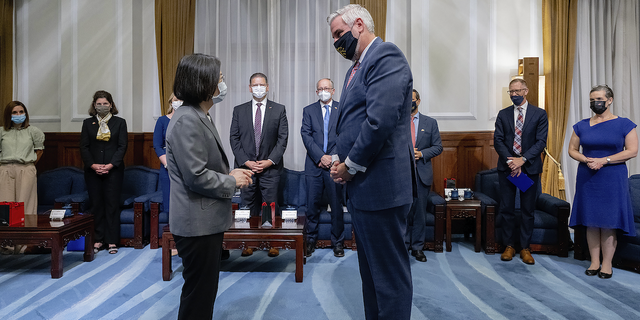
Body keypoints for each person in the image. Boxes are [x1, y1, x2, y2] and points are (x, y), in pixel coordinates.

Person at [327, 4, 415, 319]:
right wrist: (341, 159)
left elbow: (379, 121)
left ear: (359, 25)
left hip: (382, 189)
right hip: (365, 190)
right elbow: (353, 122)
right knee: (371, 276)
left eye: (339, 34)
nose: (337, 42)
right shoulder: (356, 68)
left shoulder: (385, 56)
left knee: (389, 277)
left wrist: (349, 166)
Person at [166, 53, 252, 319]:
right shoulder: (187, 119)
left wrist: (228, 172)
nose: (222, 83)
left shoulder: (198, 114)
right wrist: (231, 181)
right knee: (199, 294)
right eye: (219, 78)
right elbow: (195, 176)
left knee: (204, 291)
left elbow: (201, 164)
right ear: (203, 83)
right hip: (196, 224)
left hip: (204, 220)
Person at [568, 85, 638, 279]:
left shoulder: (625, 124)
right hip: (587, 176)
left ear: (609, 100)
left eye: (598, 99)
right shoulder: (581, 125)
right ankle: (594, 261)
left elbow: (632, 150)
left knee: (608, 222)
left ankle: (607, 264)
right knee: (591, 221)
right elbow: (572, 150)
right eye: (592, 100)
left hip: (612, 177)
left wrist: (604, 160)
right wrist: (586, 160)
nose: (594, 103)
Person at [230, 72, 288, 257]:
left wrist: (269, 161)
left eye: (261, 84)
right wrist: (246, 162)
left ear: (268, 87)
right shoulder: (239, 110)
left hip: (270, 169)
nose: (258, 88)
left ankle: (272, 242)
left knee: (269, 206)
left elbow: (282, 139)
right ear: (249, 88)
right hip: (246, 169)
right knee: (248, 205)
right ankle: (249, 242)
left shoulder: (278, 110)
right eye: (255, 85)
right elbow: (234, 139)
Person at [494, 78, 548, 265]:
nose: (514, 95)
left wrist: (522, 161)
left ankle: (525, 247)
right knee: (507, 208)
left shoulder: (539, 114)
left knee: (527, 209)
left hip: (528, 169)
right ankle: (509, 246)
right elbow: (498, 140)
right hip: (508, 169)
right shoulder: (503, 114)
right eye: (511, 92)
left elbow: (541, 142)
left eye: (517, 91)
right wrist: (512, 162)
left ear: (526, 91)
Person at [300, 78, 345, 258]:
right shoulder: (308, 110)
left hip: (335, 166)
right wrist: (320, 157)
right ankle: (310, 241)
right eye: (320, 89)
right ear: (316, 92)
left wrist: (332, 158)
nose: (323, 91)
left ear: (333, 91)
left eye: (326, 88)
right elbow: (306, 135)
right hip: (314, 166)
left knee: (336, 206)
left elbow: (344, 135)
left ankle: (338, 243)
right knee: (311, 206)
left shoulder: (341, 109)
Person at [80, 90, 128, 255]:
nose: (102, 106)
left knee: (112, 205)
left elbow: (122, 146)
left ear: (111, 105)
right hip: (92, 171)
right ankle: (99, 239)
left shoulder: (120, 122)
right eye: (99, 104)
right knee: (97, 205)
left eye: (105, 104)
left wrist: (110, 165)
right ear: (94, 105)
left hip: (113, 171)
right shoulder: (88, 123)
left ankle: (112, 241)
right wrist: (93, 165)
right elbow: (84, 147)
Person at [0, 101, 44, 254]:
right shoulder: (2, 132)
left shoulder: (33, 131)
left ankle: (24, 244)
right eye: (14, 112)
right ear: (8, 115)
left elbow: (39, 150)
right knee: (6, 207)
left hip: (26, 168)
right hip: (5, 168)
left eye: (21, 112)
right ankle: (7, 246)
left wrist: (29, 165)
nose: (18, 115)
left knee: (25, 205)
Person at [405, 89, 442, 262]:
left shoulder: (430, 122)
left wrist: (422, 154)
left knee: (419, 212)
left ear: (418, 101)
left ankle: (417, 247)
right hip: (402, 173)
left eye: (411, 99)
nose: (409, 102)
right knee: (403, 211)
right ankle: (403, 245)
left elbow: (438, 147)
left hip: (422, 173)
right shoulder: (398, 122)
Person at [153, 93, 182, 214]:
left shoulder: (189, 121)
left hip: (185, 167)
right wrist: (168, 164)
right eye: (176, 100)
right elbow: (157, 145)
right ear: (171, 102)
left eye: (182, 100)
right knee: (170, 206)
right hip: (167, 168)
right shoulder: (162, 121)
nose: (179, 102)